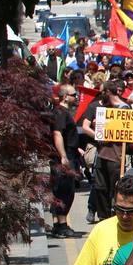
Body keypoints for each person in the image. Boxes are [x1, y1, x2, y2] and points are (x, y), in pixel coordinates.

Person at [48, 85, 83, 238]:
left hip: (70, 152)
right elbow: (57, 134)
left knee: (61, 189)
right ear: (65, 96)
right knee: (65, 190)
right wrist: (63, 156)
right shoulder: (60, 112)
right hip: (64, 155)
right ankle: (62, 225)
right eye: (74, 94)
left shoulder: (61, 112)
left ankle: (58, 224)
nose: (76, 96)